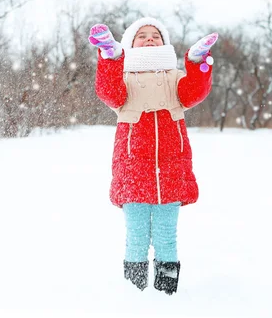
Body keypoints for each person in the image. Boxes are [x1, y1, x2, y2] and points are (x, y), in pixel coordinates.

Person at [89, 17, 218, 295]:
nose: (149, 39)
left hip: (170, 171)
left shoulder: (174, 77)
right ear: (130, 44)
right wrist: (111, 57)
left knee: (166, 239)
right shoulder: (124, 77)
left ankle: (165, 296)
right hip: (133, 170)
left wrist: (196, 62)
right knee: (136, 238)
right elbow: (109, 93)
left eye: (155, 35)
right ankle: (134, 297)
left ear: (164, 43)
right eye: (142, 36)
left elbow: (194, 92)